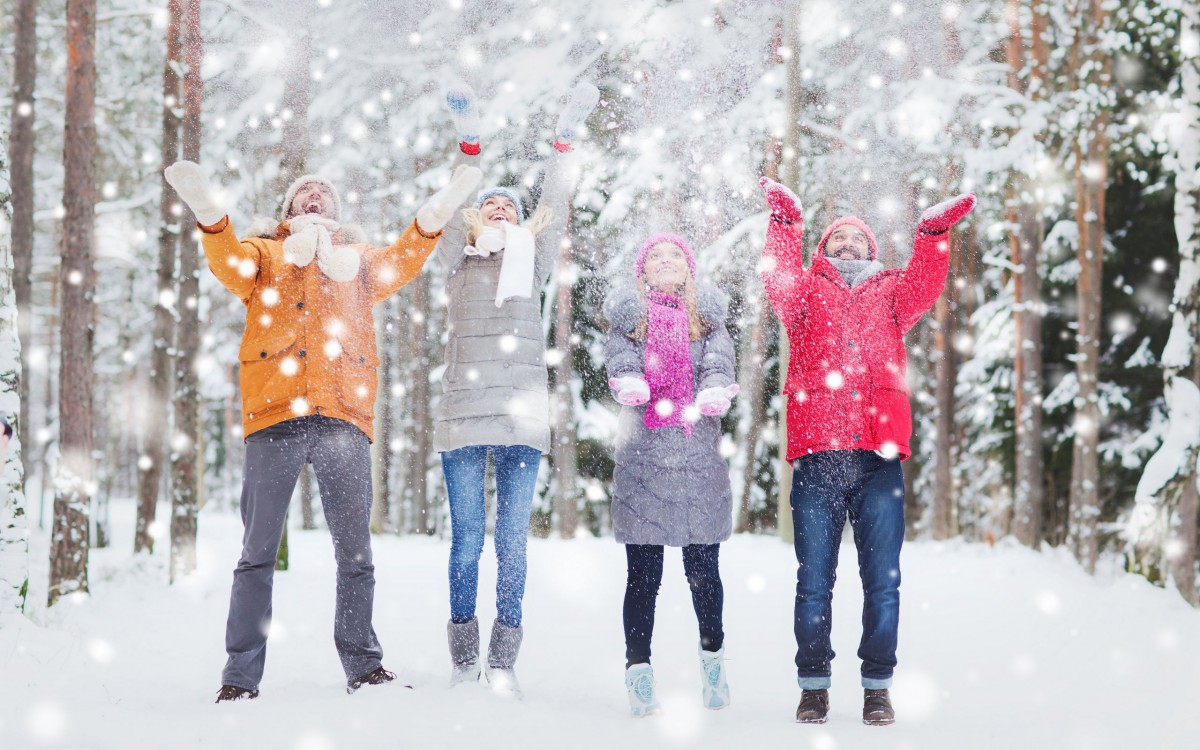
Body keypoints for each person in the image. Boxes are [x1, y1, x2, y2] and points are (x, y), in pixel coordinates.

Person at [163, 157, 482, 702]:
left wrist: (437, 212)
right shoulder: (265, 256)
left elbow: (405, 261)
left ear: (337, 211)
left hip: (343, 417)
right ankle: (240, 676)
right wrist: (211, 215)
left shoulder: (358, 263)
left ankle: (362, 665)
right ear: (288, 208)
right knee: (256, 553)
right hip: (275, 417)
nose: (315, 197)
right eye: (304, 192)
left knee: (355, 553)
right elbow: (226, 262)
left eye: (323, 193)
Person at [758, 176, 976, 725]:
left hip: (878, 457)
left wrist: (933, 232)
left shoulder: (893, 294)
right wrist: (784, 223)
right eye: (838, 240)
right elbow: (779, 277)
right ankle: (813, 684)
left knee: (882, 581)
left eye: (858, 240)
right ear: (823, 250)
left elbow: (927, 282)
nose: (848, 245)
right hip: (819, 454)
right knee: (814, 581)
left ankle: (877, 685)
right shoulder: (805, 294)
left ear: (873, 251)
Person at [433, 81, 598, 696]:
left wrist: (565, 139)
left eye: (509, 206)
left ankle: (503, 661)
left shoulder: (534, 260)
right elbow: (453, 203)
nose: (500, 210)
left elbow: (559, 194)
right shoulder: (460, 259)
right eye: (492, 206)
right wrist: (468, 148)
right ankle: (462, 655)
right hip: (463, 417)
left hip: (522, 417)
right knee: (467, 541)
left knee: (513, 545)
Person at [603, 233, 740, 717]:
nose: (665, 261)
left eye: (674, 255)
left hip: (697, 456)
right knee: (643, 577)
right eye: (655, 256)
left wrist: (716, 390)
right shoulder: (628, 320)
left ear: (689, 268)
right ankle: (639, 672)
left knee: (704, 574)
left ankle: (714, 663)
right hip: (643, 460)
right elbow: (617, 360)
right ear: (642, 272)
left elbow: (721, 364)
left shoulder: (710, 320)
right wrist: (629, 381)